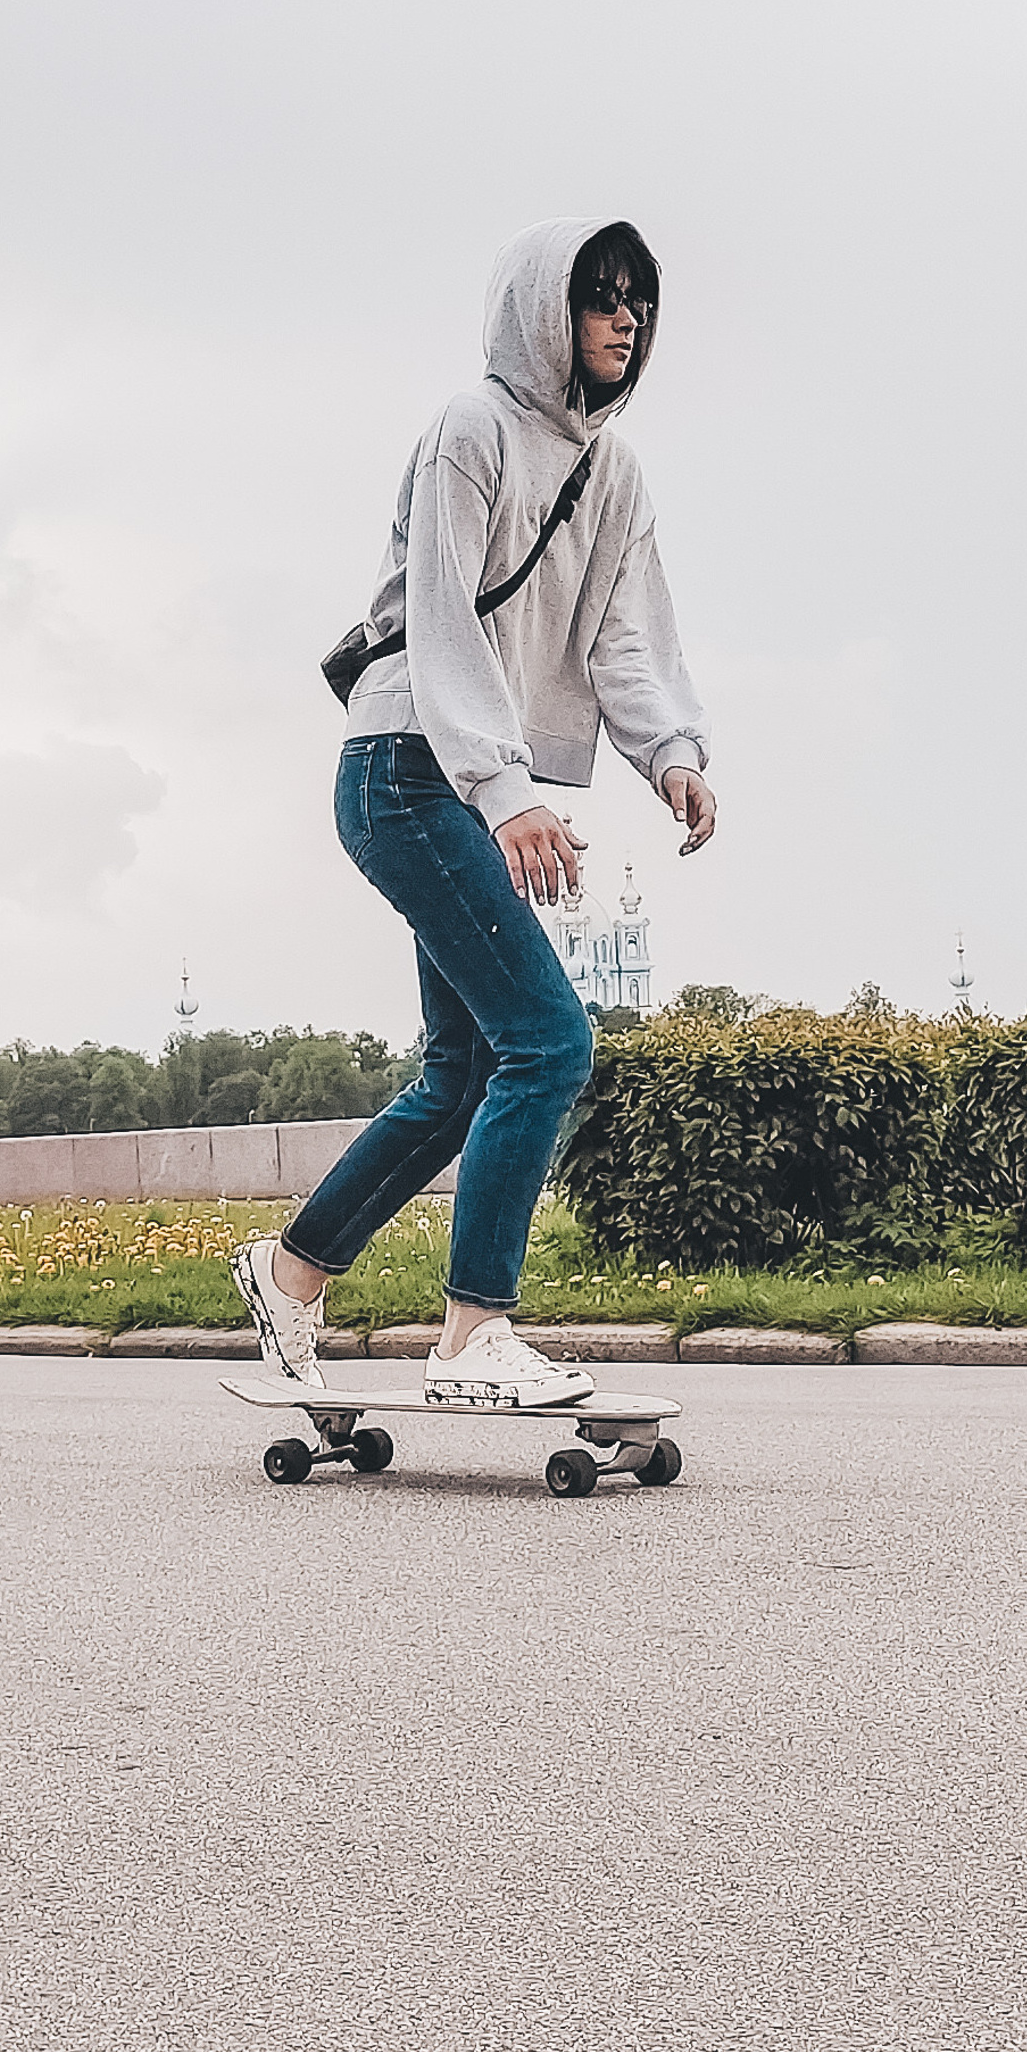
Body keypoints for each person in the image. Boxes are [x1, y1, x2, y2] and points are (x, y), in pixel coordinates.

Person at [233, 218, 716, 1406]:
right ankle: (473, 1336)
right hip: (405, 764)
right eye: (599, 299)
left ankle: (291, 1273)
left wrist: (670, 754)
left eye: (635, 303)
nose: (623, 320)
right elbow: (445, 618)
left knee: (461, 1074)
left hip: (463, 774)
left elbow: (623, 635)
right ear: (543, 313)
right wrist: (506, 794)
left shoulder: (615, 473)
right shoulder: (470, 430)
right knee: (550, 1042)